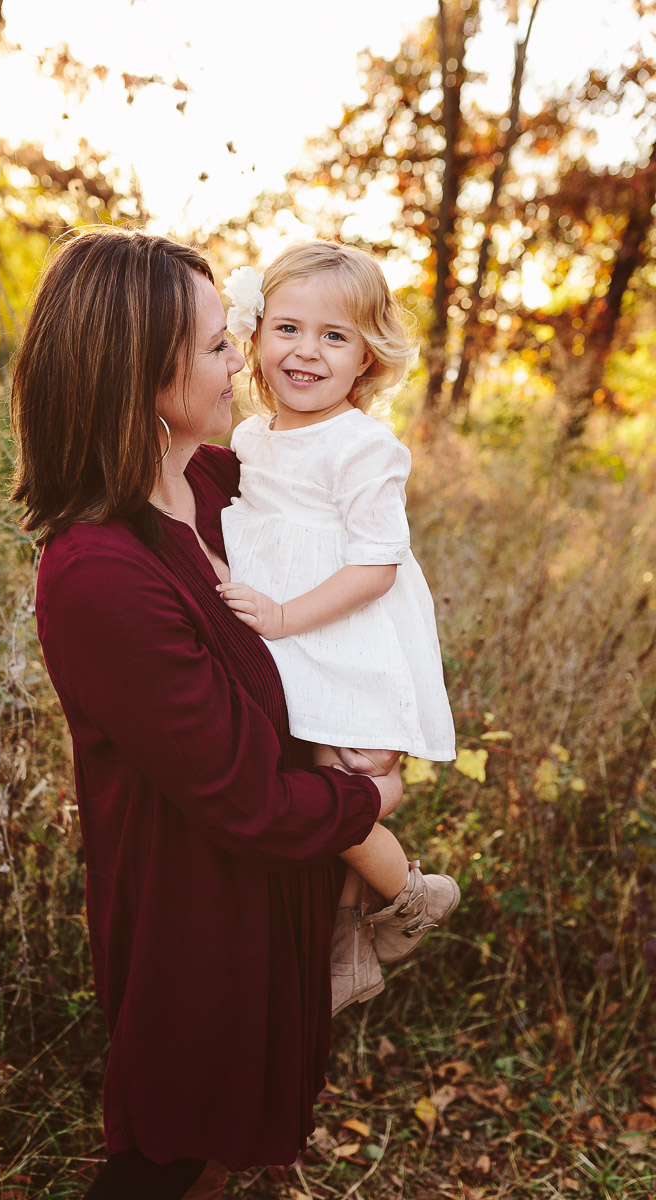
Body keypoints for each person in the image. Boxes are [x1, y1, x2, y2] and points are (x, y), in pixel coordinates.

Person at [9, 226, 406, 1200]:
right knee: (166, 1158)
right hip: (197, 923)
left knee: (221, 1152)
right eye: (218, 342)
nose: (245, 360)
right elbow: (246, 803)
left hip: (272, 901)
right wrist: (369, 802)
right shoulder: (98, 572)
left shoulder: (221, 487)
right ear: (142, 370)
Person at [218, 242, 460, 988]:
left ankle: (415, 895)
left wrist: (286, 615)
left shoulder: (363, 446)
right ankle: (350, 950)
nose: (307, 352)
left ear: (367, 358)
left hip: (343, 634)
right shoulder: (251, 436)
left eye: (335, 336)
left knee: (339, 783)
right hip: (286, 630)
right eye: (288, 328)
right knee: (314, 779)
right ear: (253, 337)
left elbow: (378, 564)